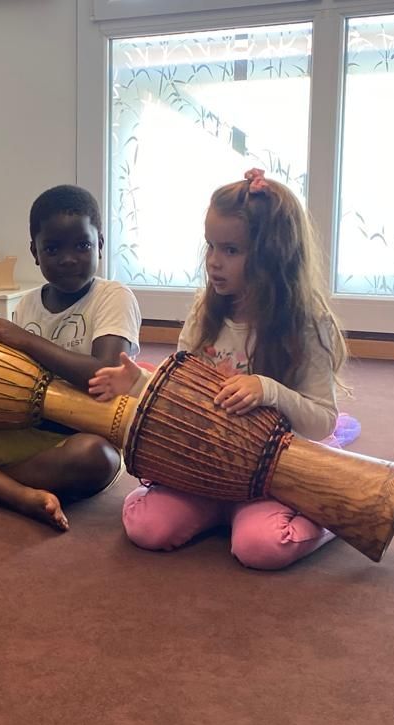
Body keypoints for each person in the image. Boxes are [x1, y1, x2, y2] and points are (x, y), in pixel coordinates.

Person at [88, 168, 348, 569]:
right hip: (206, 467)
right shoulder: (204, 312)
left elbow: (322, 421)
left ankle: (330, 515)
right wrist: (141, 382)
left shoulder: (308, 325)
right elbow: (182, 392)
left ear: (272, 256)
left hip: (273, 475)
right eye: (210, 246)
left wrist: (268, 389)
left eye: (231, 250)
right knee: (146, 527)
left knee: (261, 547)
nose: (213, 262)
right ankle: (221, 511)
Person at [0, 184, 142, 531]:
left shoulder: (114, 297)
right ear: (34, 251)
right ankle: (19, 494)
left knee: (98, 458)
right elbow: (5, 374)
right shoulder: (29, 303)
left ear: (101, 244)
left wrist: (27, 340)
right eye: (53, 248)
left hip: (80, 435)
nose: (68, 258)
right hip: (22, 429)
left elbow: (103, 374)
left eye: (82, 245)